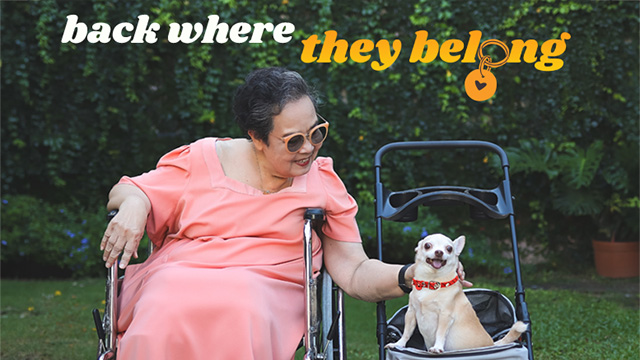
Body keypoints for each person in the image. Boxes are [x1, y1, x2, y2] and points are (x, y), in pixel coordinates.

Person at [100, 67, 467, 360]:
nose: (309, 149)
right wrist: (134, 204)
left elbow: (354, 271)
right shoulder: (202, 159)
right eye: (293, 141)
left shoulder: (321, 182)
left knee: (241, 304)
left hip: (263, 289)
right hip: (178, 276)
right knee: (162, 307)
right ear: (257, 139)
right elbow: (131, 187)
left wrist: (412, 274)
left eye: (317, 133)